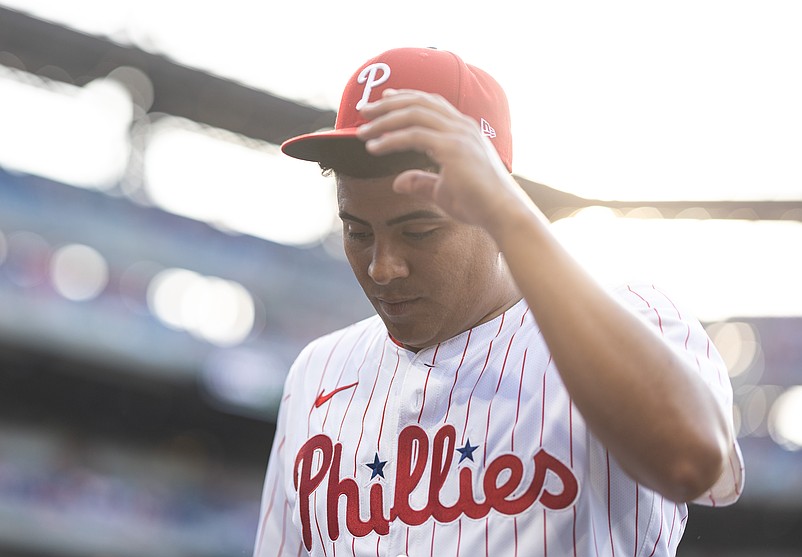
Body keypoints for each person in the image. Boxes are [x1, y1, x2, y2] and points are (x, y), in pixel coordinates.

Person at [252, 46, 743, 557]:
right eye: (356, 232)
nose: (382, 266)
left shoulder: (631, 317)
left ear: (495, 201)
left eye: (419, 231)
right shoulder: (318, 371)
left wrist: (515, 215)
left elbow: (692, 462)